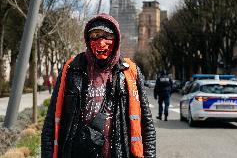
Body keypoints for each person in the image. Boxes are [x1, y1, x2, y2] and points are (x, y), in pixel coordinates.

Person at [41, 13, 156, 158]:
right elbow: (50, 123)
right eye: (95, 35)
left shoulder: (129, 72)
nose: (101, 42)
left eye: (107, 36)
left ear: (116, 38)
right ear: (87, 39)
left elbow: (147, 125)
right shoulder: (71, 69)